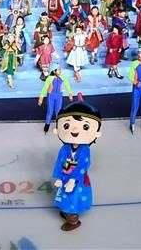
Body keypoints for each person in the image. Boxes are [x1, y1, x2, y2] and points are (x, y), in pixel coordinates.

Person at [50, 99, 102, 232]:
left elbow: (83, 165)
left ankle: (73, 219)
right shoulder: (64, 148)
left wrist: (73, 179)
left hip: (77, 179)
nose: (74, 130)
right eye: (67, 125)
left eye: (85, 127)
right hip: (65, 176)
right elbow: (59, 162)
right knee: (64, 195)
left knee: (73, 197)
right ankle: (66, 211)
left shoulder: (84, 150)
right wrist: (59, 177)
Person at [38, 66, 73, 132]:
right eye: (58, 70)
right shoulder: (49, 78)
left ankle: (58, 125)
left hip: (59, 96)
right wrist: (41, 98)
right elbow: (44, 88)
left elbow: (67, 85)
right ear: (54, 71)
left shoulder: (63, 77)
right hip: (51, 96)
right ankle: (47, 125)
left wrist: (70, 93)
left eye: (60, 69)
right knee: (50, 111)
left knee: (58, 111)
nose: (60, 71)